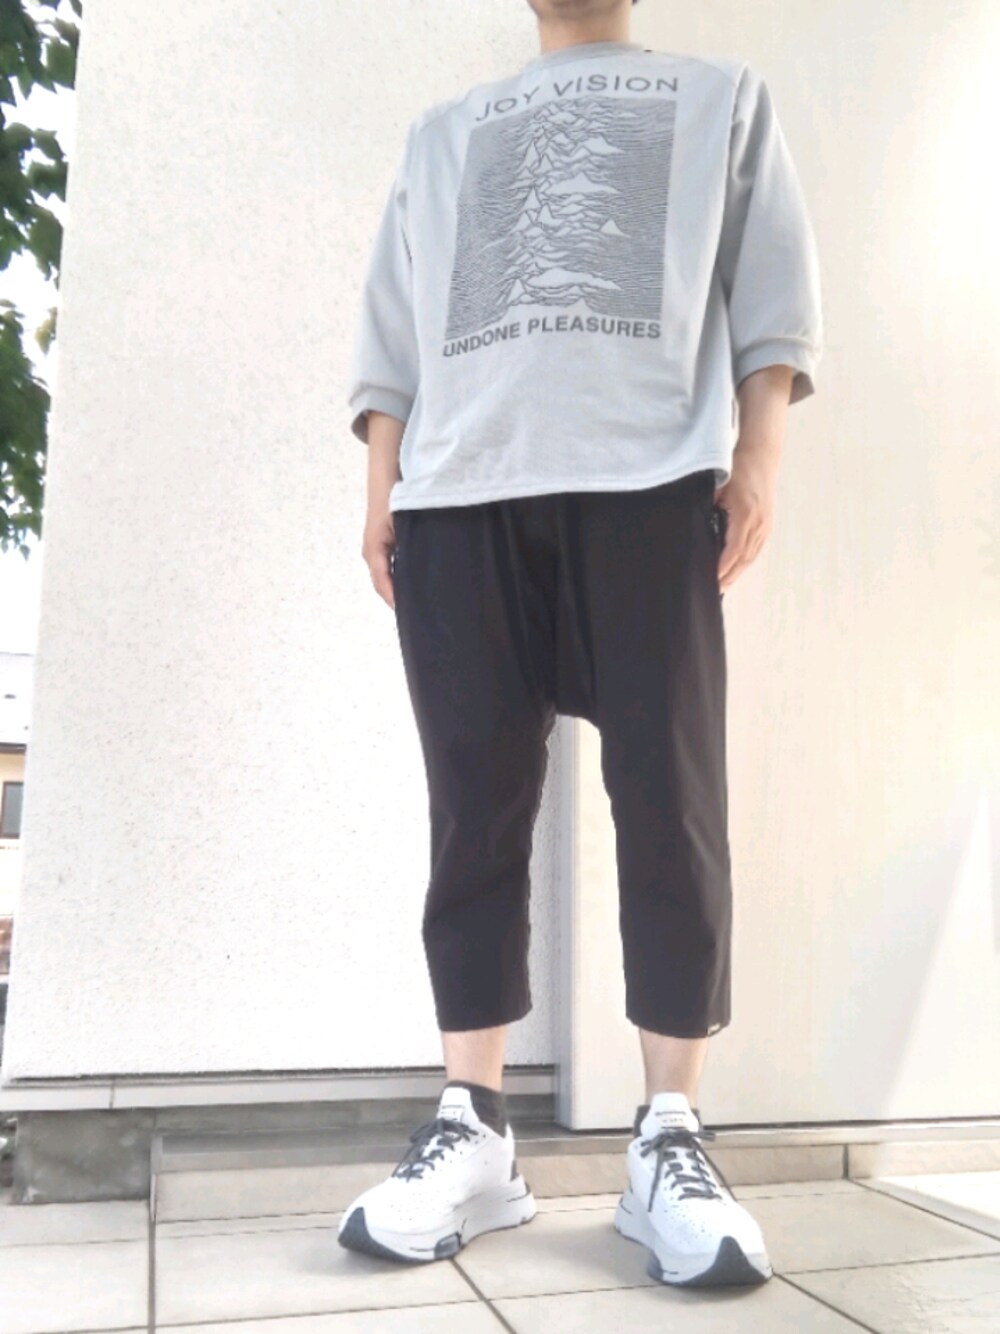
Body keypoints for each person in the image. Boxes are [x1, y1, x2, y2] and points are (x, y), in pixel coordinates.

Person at [339, 0, 822, 1290]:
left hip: (650, 486)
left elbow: (772, 293)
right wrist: (383, 487)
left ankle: (669, 1134)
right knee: (473, 812)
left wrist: (760, 460)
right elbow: (394, 329)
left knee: (673, 804)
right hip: (459, 496)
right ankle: (475, 1128)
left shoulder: (721, 97)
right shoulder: (444, 133)